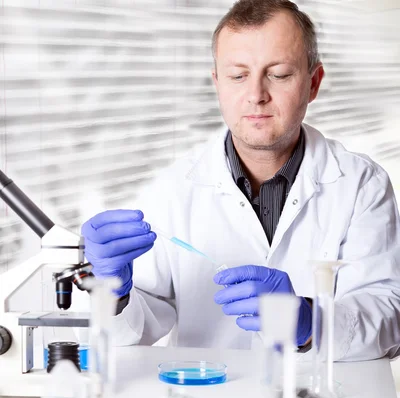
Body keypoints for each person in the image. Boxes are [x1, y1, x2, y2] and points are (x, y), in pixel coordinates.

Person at [82, 0, 400, 361]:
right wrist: (114, 293)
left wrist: (311, 321)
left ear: (313, 83)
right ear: (217, 83)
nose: (256, 95)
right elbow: (130, 335)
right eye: (238, 76)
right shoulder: (172, 189)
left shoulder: (361, 185)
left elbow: (389, 315)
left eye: (278, 74)